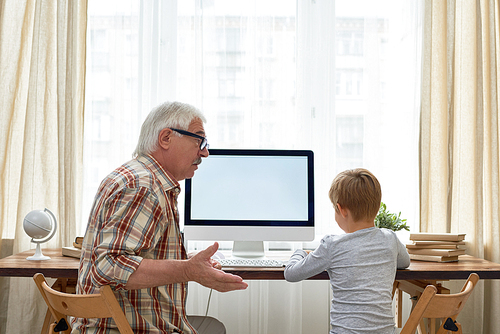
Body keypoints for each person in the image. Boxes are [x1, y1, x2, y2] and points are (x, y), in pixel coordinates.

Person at [72, 101, 248, 334]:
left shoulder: (136, 176)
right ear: (166, 138)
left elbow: (130, 254)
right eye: (199, 140)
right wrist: (188, 270)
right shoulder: (144, 186)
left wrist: (187, 260)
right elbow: (107, 266)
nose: (205, 152)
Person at [284, 168, 410, 334]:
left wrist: (300, 252)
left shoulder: (332, 245)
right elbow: (404, 262)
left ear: (341, 209)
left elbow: (291, 274)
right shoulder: (390, 238)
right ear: (378, 207)